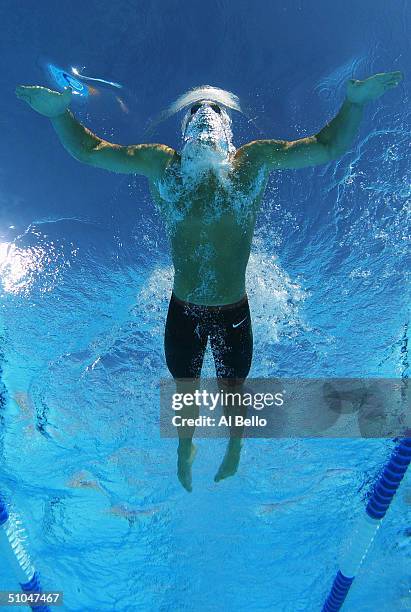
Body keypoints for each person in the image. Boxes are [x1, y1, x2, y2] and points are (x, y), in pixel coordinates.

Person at [16, 72, 403, 491]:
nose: (205, 116)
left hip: (234, 309)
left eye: (214, 112)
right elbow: (91, 151)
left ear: (227, 132)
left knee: (233, 389)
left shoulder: (251, 163)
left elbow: (326, 146)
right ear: (184, 133)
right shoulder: (161, 164)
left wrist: (355, 102)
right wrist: (59, 115)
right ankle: (186, 446)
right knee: (184, 393)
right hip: (183, 310)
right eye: (197, 114)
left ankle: (235, 444)